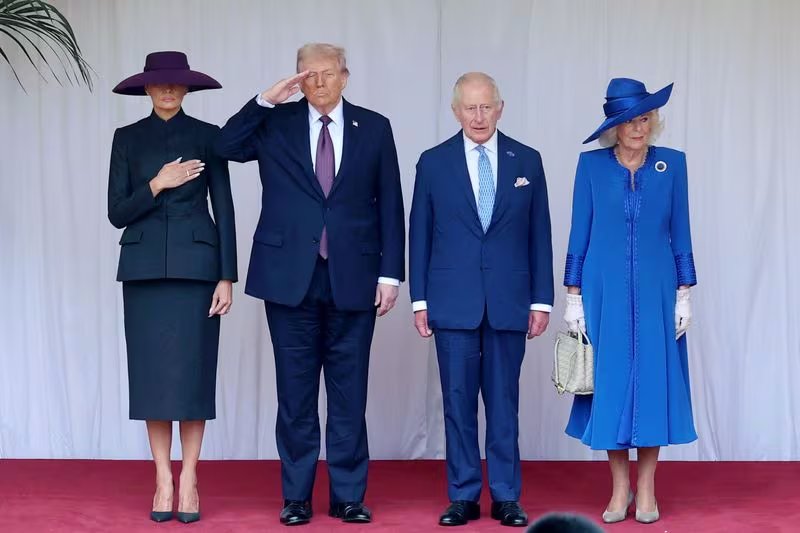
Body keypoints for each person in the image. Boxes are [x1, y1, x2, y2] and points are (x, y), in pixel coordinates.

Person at [216, 43, 404, 526]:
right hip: (288, 279)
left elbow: (391, 204)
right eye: (307, 74)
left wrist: (390, 275)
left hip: (355, 276)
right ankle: (296, 496)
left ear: (345, 75)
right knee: (295, 395)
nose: (318, 82)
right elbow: (225, 146)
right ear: (296, 78)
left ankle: (347, 496)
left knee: (349, 394)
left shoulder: (375, 127)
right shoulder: (274, 123)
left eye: (327, 73)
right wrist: (266, 99)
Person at [409, 72, 554, 527]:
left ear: (500, 107)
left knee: (504, 403)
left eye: (486, 106)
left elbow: (540, 235)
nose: (478, 115)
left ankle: (507, 495)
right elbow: (420, 235)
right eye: (469, 107)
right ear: (455, 111)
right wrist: (419, 300)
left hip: (510, 302)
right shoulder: (432, 163)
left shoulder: (527, 160)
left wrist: (542, 301)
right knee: (457, 403)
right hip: (452, 302)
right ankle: (464, 496)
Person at [109, 51, 237, 523]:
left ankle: (190, 477)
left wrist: (227, 275)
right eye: (159, 85)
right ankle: (162, 476)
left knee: (192, 375)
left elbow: (224, 208)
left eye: (176, 85)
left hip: (197, 271)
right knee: (152, 379)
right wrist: (157, 184)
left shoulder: (208, 137)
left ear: (186, 90)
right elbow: (116, 212)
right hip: (142, 272)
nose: (167, 91)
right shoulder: (127, 139)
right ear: (146, 89)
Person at [563, 78, 697, 524]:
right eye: (628, 121)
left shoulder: (672, 166)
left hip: (659, 292)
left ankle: (647, 490)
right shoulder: (592, 167)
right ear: (613, 127)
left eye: (644, 118)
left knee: (653, 384)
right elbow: (579, 232)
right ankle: (619, 489)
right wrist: (573, 297)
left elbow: (681, 233)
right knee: (614, 385)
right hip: (605, 293)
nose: (638, 128)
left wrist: (684, 293)